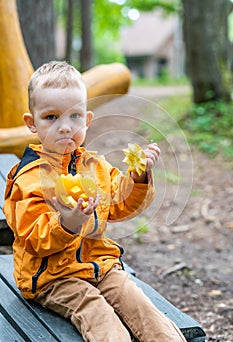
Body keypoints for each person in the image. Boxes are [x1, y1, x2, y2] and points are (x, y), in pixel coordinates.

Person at [4, 61, 186, 342]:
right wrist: (67, 223)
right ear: (32, 123)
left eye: (74, 116)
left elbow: (120, 205)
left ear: (87, 120)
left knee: (141, 307)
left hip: (100, 265)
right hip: (54, 277)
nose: (65, 127)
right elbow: (32, 238)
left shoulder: (95, 167)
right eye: (51, 117)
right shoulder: (28, 179)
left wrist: (137, 179)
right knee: (97, 313)